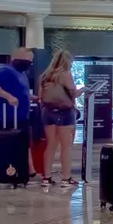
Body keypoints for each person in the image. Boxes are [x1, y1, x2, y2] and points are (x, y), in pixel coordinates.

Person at [38, 51, 82, 189]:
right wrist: (84, 89)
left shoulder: (45, 76)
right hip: (64, 112)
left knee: (50, 145)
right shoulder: (65, 74)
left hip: (47, 112)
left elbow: (40, 97)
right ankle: (66, 179)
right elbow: (74, 93)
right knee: (66, 146)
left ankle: (46, 177)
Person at [0, 47, 33, 134]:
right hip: (9, 118)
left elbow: (18, 90)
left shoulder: (22, 73)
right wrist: (8, 97)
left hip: (21, 117)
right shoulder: (6, 71)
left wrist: (30, 97)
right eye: (28, 59)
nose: (29, 63)